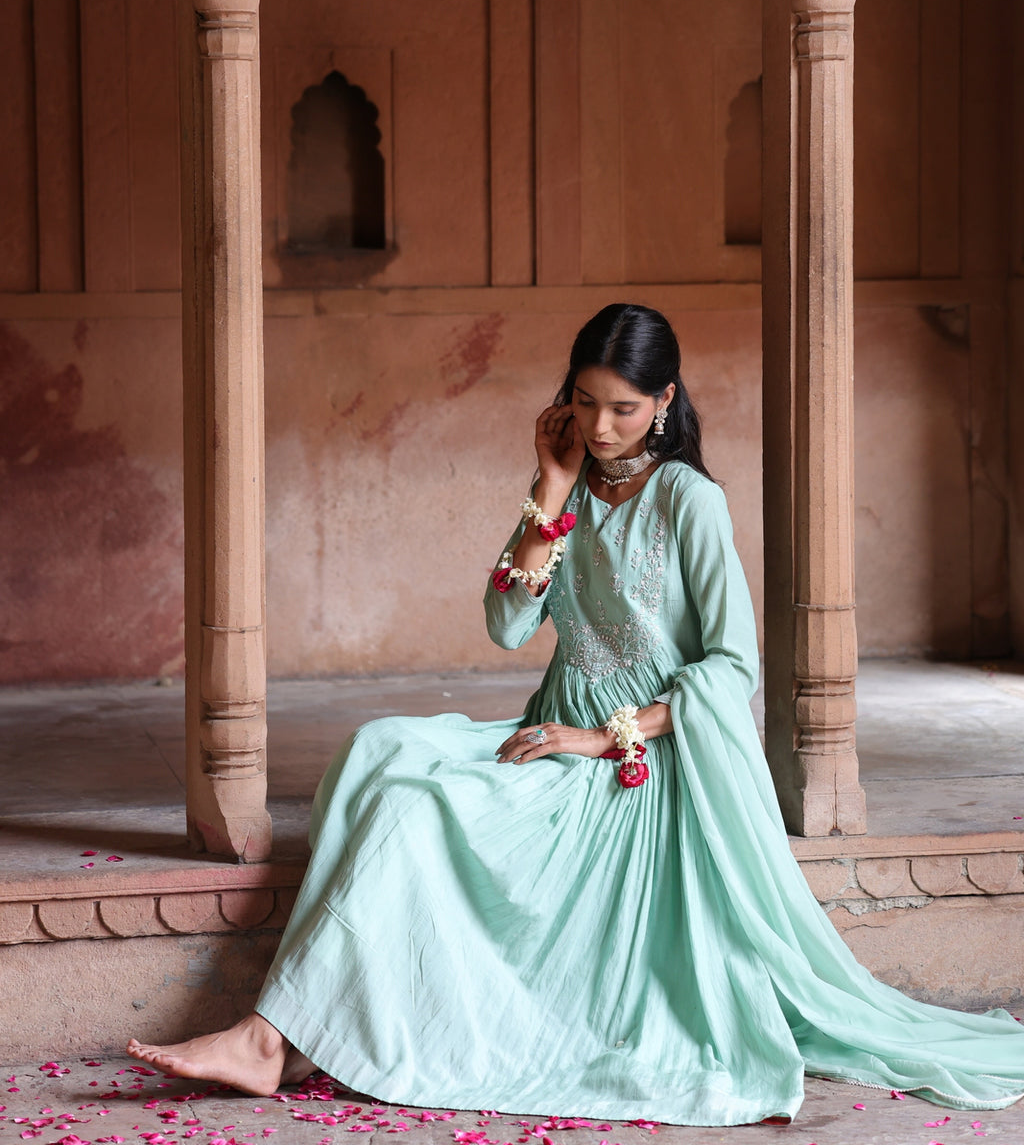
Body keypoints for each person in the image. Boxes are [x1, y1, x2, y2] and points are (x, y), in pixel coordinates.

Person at [128, 304, 1024, 1126]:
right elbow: (507, 623)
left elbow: (733, 665)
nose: (600, 428)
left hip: (641, 762)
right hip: (548, 733)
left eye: (625, 409)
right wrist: (551, 490)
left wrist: (605, 736)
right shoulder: (568, 484)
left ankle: (267, 1039)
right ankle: (280, 1034)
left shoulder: (689, 502)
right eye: (585, 404)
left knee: (418, 806)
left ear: (665, 401)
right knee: (378, 751)